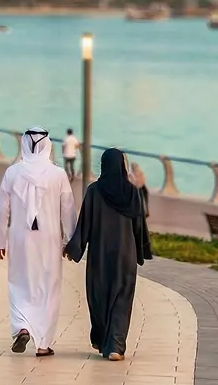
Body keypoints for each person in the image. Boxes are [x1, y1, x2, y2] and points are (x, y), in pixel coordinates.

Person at [0, 126, 76, 358]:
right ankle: (43, 344)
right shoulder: (58, 174)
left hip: (19, 238)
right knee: (49, 287)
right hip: (49, 239)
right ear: (47, 146)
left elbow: (1, 211)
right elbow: (68, 211)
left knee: (19, 283)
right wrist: (71, 241)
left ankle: (22, 327)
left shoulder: (12, 173)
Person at [66, 148, 155, 361]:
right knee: (122, 299)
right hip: (125, 256)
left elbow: (84, 223)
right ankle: (115, 345)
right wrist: (141, 251)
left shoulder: (94, 192)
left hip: (100, 256)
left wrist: (74, 248)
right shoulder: (132, 192)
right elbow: (139, 225)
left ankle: (103, 338)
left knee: (99, 298)